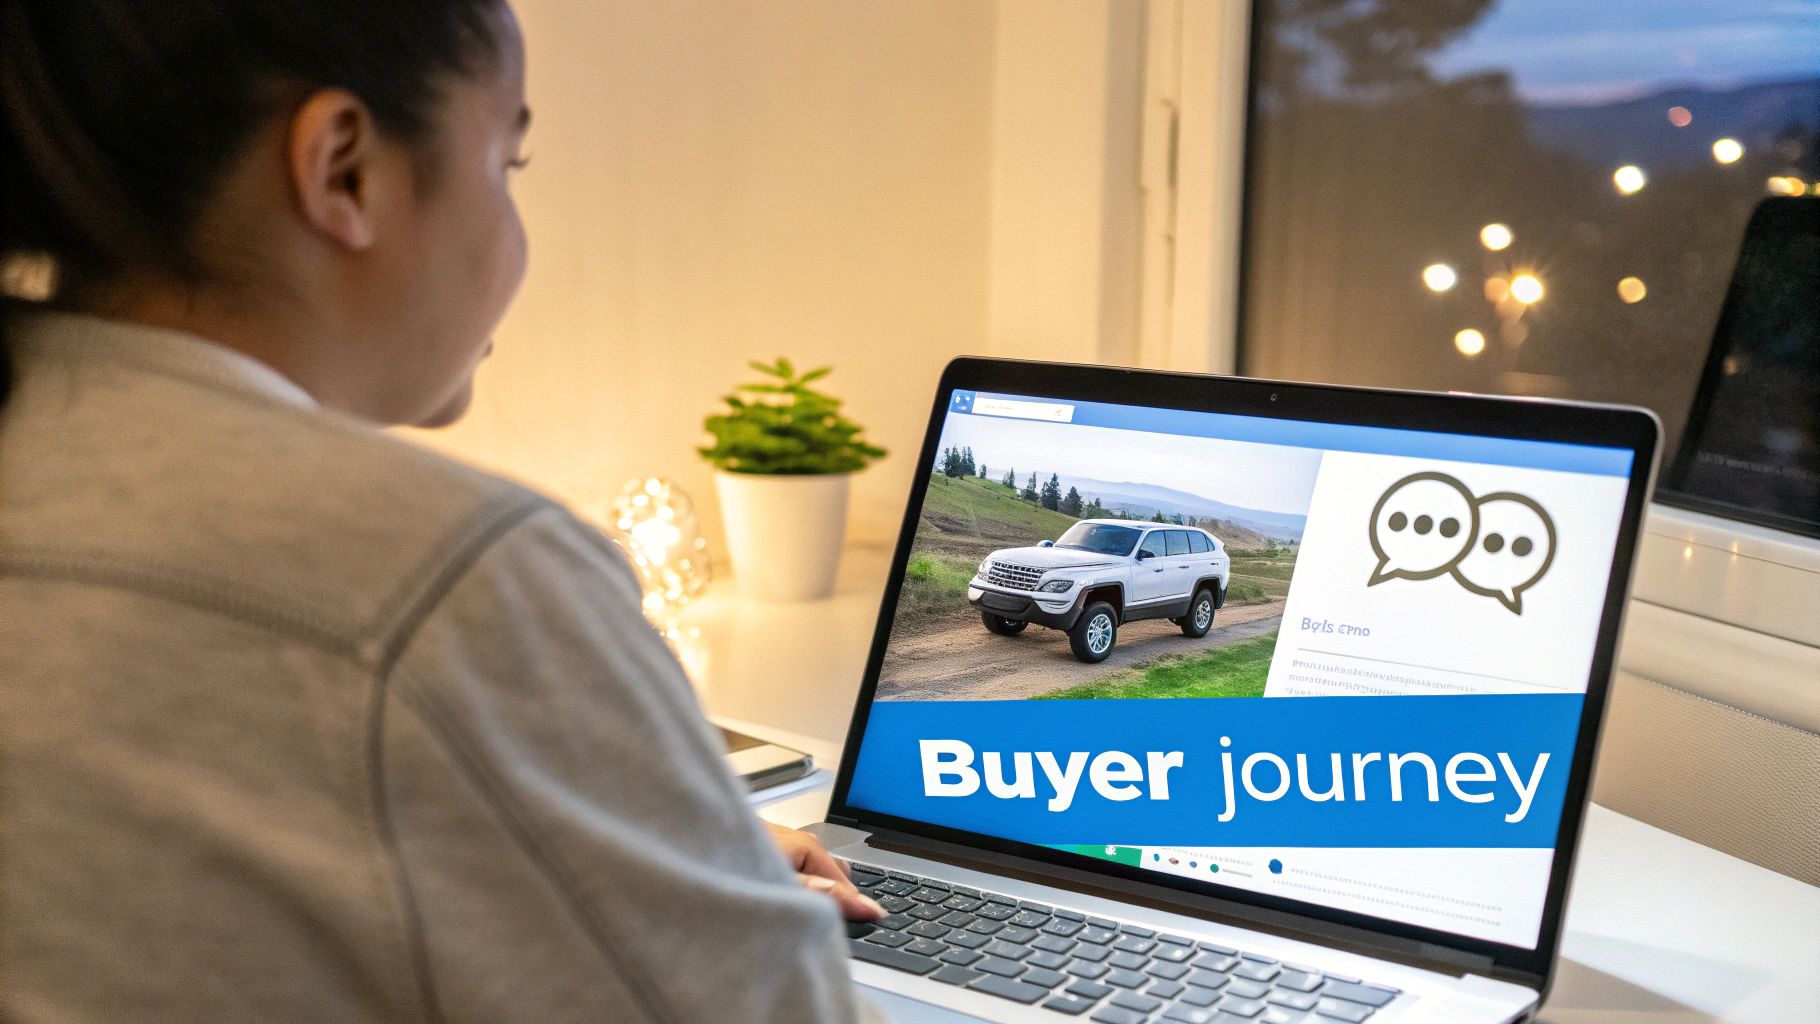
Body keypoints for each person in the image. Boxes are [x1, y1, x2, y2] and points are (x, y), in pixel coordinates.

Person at [0, 2, 883, 1020]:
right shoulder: (450, 575)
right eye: (506, 168)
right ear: (345, 169)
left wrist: (648, 850)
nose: (514, 226)